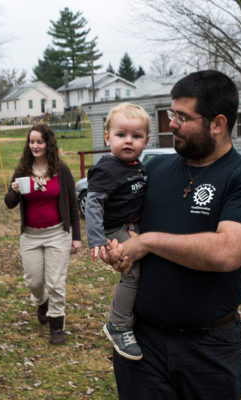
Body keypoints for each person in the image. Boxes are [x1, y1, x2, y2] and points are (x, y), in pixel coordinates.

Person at [105, 70, 241, 399]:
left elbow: (226, 252)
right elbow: (124, 223)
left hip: (209, 348)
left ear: (218, 123)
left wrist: (148, 242)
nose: (171, 124)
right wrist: (118, 247)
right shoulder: (153, 170)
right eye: (172, 113)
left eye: (183, 117)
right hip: (143, 345)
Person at [4, 124, 82, 345]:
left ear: (48, 143)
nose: (35, 146)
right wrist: (14, 191)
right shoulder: (22, 171)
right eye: (32, 142)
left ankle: (57, 325)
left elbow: (73, 206)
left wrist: (76, 236)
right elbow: (10, 203)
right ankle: (42, 301)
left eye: (39, 141)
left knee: (55, 281)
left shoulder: (62, 170)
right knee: (34, 281)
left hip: (57, 233)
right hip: (30, 236)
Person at [85, 103, 149, 361]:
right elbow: (93, 204)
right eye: (121, 135)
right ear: (107, 137)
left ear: (146, 140)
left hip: (132, 225)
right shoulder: (106, 169)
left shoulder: (137, 165)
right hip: (113, 229)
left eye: (136, 136)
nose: (128, 141)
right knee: (131, 272)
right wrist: (97, 238)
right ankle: (118, 324)